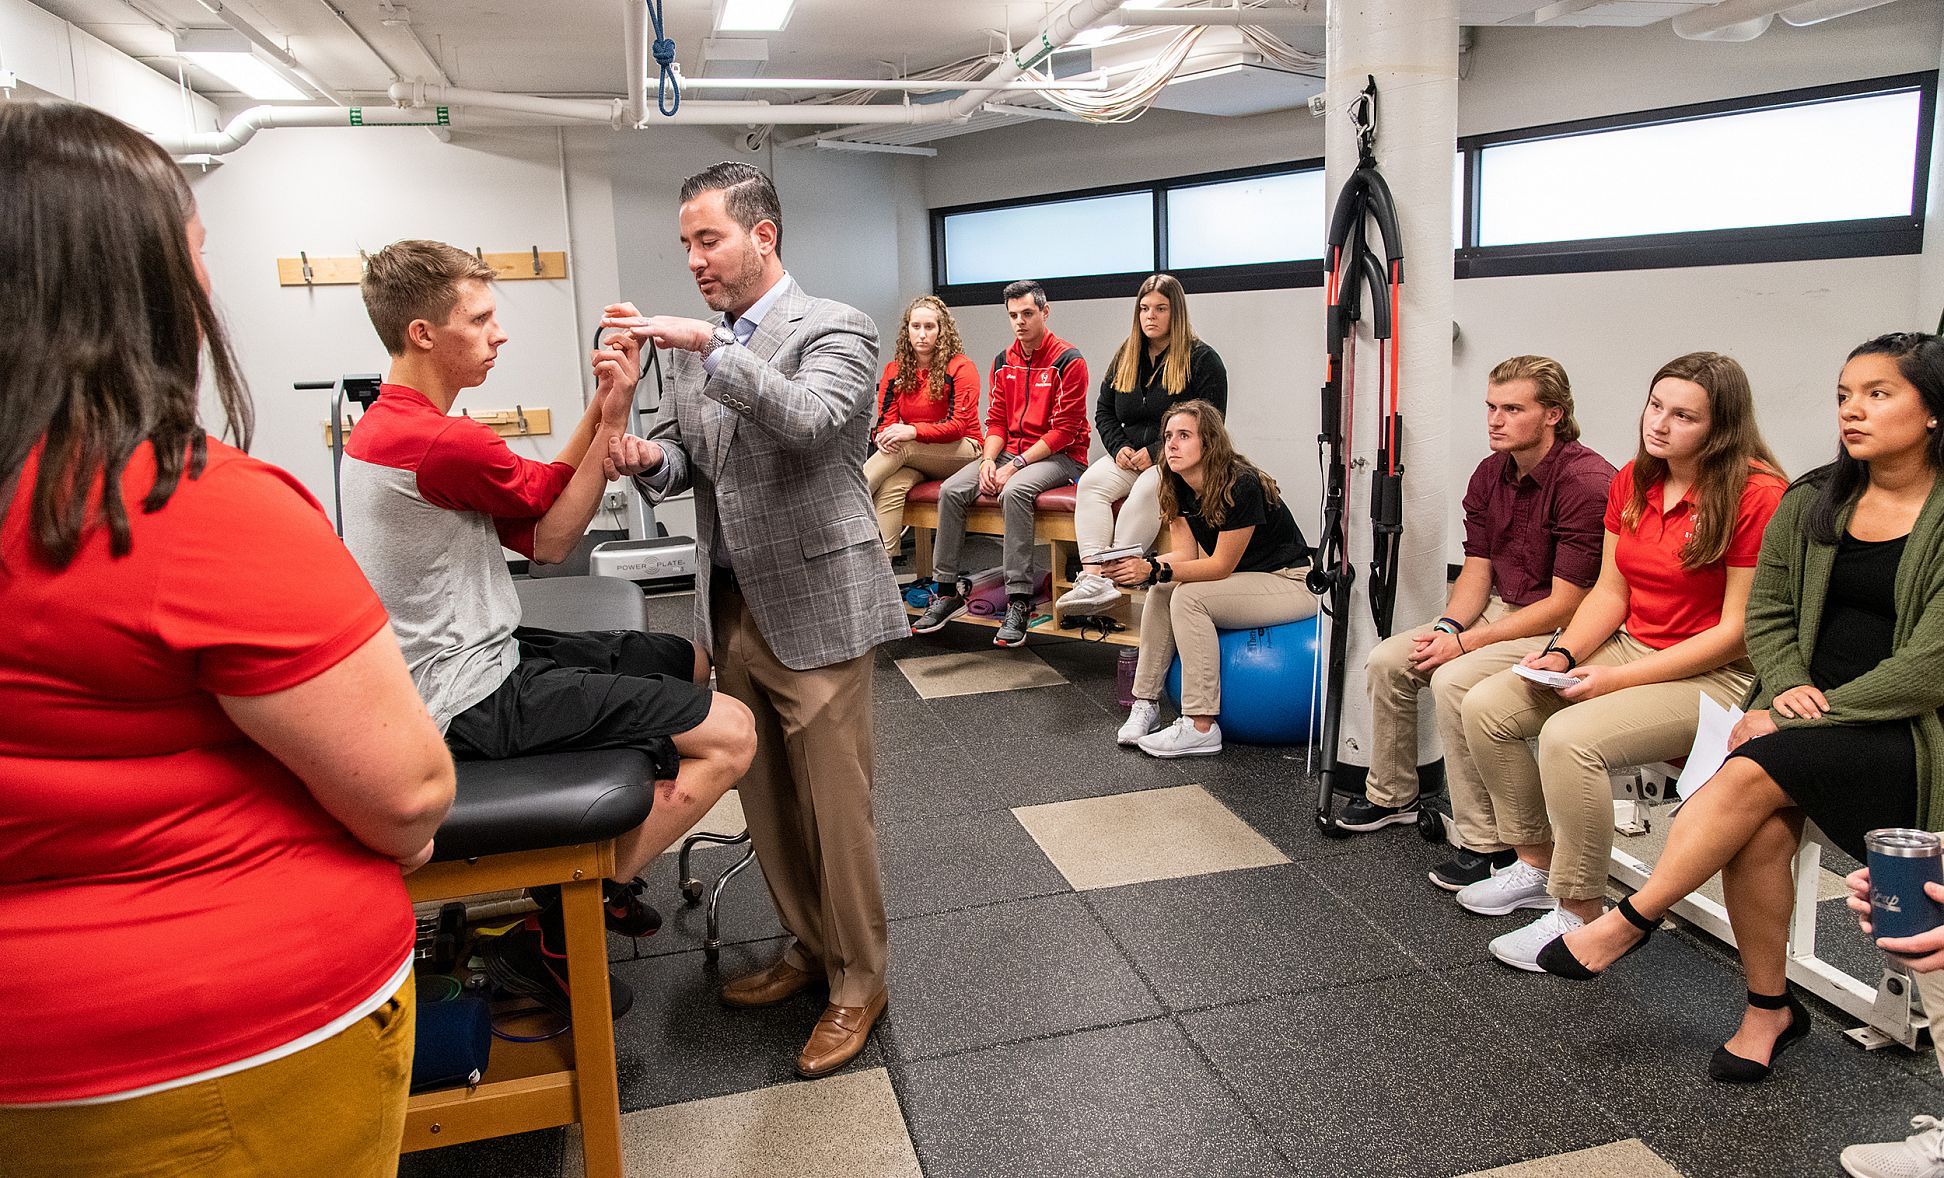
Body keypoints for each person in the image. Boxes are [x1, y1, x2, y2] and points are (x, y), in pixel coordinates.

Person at [0, 102, 455, 1175]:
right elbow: (407, 796)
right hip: (215, 1046)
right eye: (196, 253)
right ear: (137, 280)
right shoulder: (188, 507)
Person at [342, 240, 755, 1019]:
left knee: (676, 656)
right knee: (731, 734)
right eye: (481, 318)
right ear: (424, 332)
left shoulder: (395, 425)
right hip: (468, 696)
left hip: (465, 662)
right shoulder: (440, 441)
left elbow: (541, 514)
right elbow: (559, 538)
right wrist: (613, 414)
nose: (499, 334)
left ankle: (596, 867)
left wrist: (605, 413)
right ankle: (561, 923)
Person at [1535, 334, 1944, 1097]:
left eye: (1879, 394)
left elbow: (1930, 669)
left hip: (1901, 726)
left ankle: (1633, 919)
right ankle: (1769, 1010)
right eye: (1845, 393)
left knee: (1751, 773)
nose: (1853, 409)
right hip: (1793, 710)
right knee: (1755, 826)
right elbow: (1771, 620)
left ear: (1932, 413)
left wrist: (1807, 716)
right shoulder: (1816, 496)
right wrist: (1786, 689)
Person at [601, 162, 906, 1079]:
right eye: (686, 244)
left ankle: (860, 981)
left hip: (816, 604)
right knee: (767, 802)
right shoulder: (705, 351)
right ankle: (809, 949)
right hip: (730, 606)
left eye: (709, 240)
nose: (694, 259)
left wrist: (713, 350)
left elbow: (815, 423)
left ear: (762, 235)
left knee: (835, 810)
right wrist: (645, 457)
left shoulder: (836, 327)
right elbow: (694, 462)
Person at [1457, 352, 1786, 972]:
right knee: (1487, 705)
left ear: (1722, 427)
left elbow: (1737, 631)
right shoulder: (1635, 479)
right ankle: (1535, 862)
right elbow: (1611, 592)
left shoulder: (1756, 495)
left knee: (1569, 738)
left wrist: (1616, 678)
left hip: (1716, 673)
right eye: (1655, 405)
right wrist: (1563, 652)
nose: (1659, 424)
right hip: (1633, 644)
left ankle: (1579, 913)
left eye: (1684, 416)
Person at [1342, 357, 1615, 885]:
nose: (1495, 419)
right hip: (1502, 610)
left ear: (1554, 414)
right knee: (1389, 661)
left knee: (1452, 682)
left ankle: (1486, 842)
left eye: (1513, 409)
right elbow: (1477, 572)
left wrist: (1466, 648)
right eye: (1491, 406)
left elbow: (1565, 604)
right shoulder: (1491, 473)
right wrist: (1448, 629)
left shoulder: (1586, 482)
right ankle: (1394, 796)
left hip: (1561, 626)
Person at [1107, 401, 1317, 758]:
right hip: (1247, 579)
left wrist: (1154, 569)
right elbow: (1186, 557)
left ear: (1209, 443)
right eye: (1168, 436)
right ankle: (1145, 703)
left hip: (1291, 581)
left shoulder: (1240, 483)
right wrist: (1143, 565)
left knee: (1190, 598)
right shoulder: (1176, 484)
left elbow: (1219, 566)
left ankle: (1200, 726)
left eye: (1184, 436)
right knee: (1163, 590)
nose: (1171, 444)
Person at [910, 279, 1090, 647]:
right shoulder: (1003, 362)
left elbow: (1064, 431)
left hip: (1061, 456)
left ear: (1045, 311)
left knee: (1016, 490)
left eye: (1027, 313)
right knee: (953, 489)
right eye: (1013, 315)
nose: (1020, 322)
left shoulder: (1068, 360)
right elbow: (995, 423)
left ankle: (1019, 599)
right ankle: (946, 591)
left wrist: (1014, 466)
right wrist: (990, 460)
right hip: (1009, 451)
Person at [1057, 274, 1228, 614]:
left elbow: (1211, 424)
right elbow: (1104, 410)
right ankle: (1093, 577)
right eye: (1144, 308)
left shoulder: (1202, 359)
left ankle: (1116, 570)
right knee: (1091, 482)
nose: (1150, 316)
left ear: (1175, 312)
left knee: (1148, 489)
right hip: (1126, 456)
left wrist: (1156, 453)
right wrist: (1117, 446)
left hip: (1177, 461)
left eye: (1160, 309)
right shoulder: (1127, 355)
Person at [863, 295, 982, 559]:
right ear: (907, 331)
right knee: (893, 484)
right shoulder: (894, 371)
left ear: (942, 331)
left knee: (902, 446)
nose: (922, 334)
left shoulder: (961, 367)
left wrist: (912, 431)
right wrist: (883, 436)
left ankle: (847, 502)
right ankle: (886, 564)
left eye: (930, 327)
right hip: (919, 454)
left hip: (964, 452)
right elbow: (885, 422)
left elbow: (958, 427)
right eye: (916, 327)